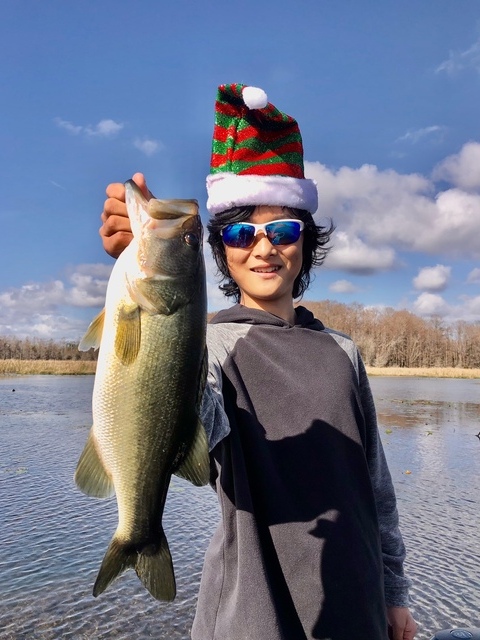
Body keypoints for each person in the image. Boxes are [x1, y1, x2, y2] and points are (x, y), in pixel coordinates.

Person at [99, 83, 418, 640]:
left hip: (357, 607)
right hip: (251, 615)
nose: (264, 248)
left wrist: (393, 594)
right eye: (243, 232)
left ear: (306, 241)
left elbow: (376, 487)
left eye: (284, 230)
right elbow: (186, 423)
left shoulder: (342, 351)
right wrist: (136, 256)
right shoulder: (212, 348)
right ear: (221, 247)